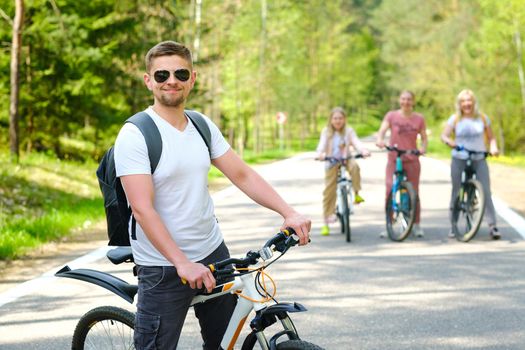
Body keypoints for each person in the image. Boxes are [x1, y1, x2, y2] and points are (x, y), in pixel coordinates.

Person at [114, 41, 311, 350]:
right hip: (163, 265)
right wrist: (182, 263)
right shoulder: (135, 134)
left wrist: (288, 212)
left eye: (180, 73)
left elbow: (242, 175)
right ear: (148, 80)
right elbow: (142, 209)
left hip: (212, 254)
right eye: (162, 74)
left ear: (192, 78)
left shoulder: (201, 125)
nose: (171, 81)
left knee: (225, 343)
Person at [440, 89, 500, 240]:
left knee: (485, 190)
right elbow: (444, 135)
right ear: (459, 104)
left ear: (474, 102)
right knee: (456, 189)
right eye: (463, 101)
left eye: (469, 100)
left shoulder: (482, 118)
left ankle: (492, 225)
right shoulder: (455, 119)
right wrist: (449, 141)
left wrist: (493, 147)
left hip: (479, 157)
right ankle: (453, 225)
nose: (467, 104)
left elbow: (491, 137)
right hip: (459, 156)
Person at [376, 90, 428, 238]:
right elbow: (382, 130)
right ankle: (389, 223)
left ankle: (416, 224)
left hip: (411, 157)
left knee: (414, 192)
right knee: (389, 189)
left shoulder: (419, 119)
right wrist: (380, 140)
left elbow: (424, 138)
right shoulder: (391, 116)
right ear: (399, 100)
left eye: (409, 99)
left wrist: (423, 148)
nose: (406, 102)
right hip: (394, 157)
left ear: (413, 101)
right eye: (403, 99)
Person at [316, 107, 370, 236]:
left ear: (344, 119)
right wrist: (320, 154)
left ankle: (356, 193)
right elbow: (321, 146)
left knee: (355, 167)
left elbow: (356, 142)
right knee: (329, 191)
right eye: (335, 118)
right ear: (331, 120)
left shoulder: (348, 131)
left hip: (346, 159)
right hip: (331, 161)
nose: (338, 121)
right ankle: (326, 221)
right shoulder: (326, 132)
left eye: (340, 118)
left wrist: (363, 150)